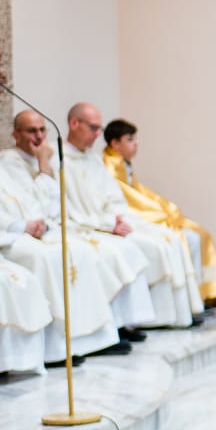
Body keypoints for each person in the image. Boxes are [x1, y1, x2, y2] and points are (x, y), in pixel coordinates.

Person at [1, 111, 158, 346]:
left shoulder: (47, 158)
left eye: (42, 130)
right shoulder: (9, 162)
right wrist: (26, 224)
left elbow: (54, 206)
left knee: (82, 252)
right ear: (15, 135)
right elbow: (21, 206)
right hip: (19, 234)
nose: (39, 137)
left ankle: (96, 336)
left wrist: (111, 220)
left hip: (46, 229)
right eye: (32, 131)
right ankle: (59, 343)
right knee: (55, 257)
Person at [62, 102, 202, 329]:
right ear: (74, 123)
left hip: (112, 222)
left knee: (169, 238)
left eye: (99, 129)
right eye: (93, 128)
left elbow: (114, 197)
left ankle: (175, 314)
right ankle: (145, 320)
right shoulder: (58, 159)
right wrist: (109, 224)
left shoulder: (93, 160)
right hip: (90, 227)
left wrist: (117, 218)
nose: (97, 135)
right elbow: (68, 208)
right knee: (153, 247)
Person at [102, 118, 216, 308]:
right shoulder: (110, 166)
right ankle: (193, 301)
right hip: (130, 219)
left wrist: (163, 206)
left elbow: (138, 193)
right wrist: (160, 212)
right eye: (130, 139)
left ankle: (206, 294)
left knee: (199, 234)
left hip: (138, 216)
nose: (136, 144)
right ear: (115, 143)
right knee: (187, 239)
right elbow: (126, 198)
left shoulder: (121, 163)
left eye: (135, 139)